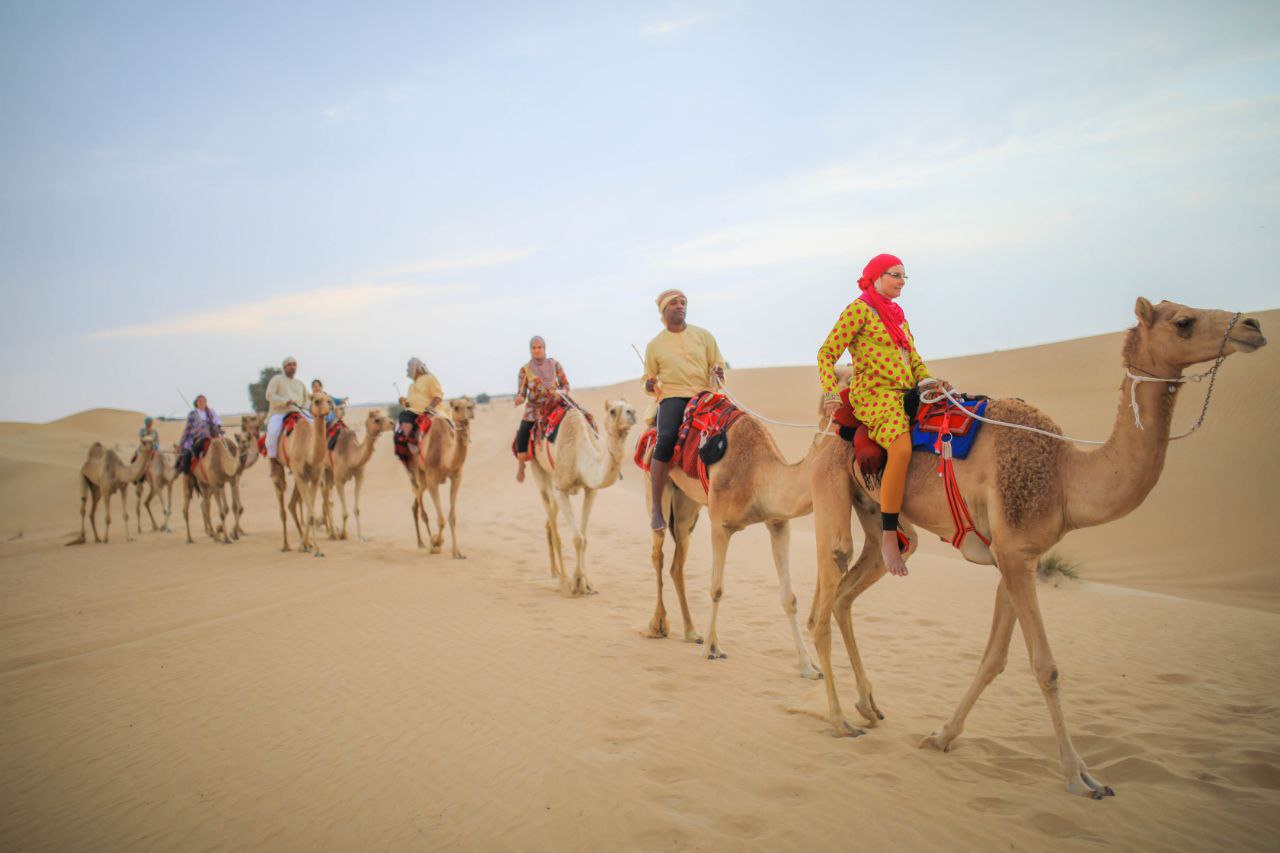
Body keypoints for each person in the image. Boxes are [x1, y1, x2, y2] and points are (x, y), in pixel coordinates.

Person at [816, 253, 953, 578]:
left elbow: (914, 358)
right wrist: (832, 391)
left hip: (908, 391)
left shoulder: (898, 314)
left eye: (905, 276)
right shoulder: (859, 309)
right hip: (875, 395)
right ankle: (890, 536)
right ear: (876, 277)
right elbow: (826, 353)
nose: (901, 281)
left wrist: (930, 380)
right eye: (895, 275)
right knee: (902, 448)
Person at [643, 289, 726, 531]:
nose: (680, 306)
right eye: (674, 303)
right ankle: (657, 509)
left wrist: (719, 372)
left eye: (683, 302)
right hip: (673, 396)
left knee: (736, 427)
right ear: (664, 311)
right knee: (666, 437)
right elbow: (648, 378)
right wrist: (649, 384)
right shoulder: (655, 345)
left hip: (706, 394)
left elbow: (717, 362)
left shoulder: (704, 336)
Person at [513, 336, 570, 482]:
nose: (537, 350)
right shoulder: (525, 370)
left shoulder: (555, 365)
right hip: (534, 409)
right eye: (534, 348)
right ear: (530, 350)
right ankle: (521, 465)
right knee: (523, 431)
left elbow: (565, 385)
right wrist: (519, 398)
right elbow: (521, 393)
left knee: (578, 416)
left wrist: (561, 392)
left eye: (539, 347)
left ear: (544, 348)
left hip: (554, 404)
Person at [264, 356, 310, 462]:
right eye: (289, 365)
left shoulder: (300, 383)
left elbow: (306, 400)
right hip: (280, 413)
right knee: (273, 434)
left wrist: (310, 408)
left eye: (294, 364)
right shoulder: (277, 380)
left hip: (298, 413)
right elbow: (269, 395)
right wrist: (285, 401)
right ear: (284, 367)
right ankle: (273, 461)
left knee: (314, 427)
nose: (292, 367)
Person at [398, 358, 444, 453]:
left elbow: (438, 396)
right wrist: (404, 402)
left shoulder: (430, 378)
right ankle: (412, 441)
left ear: (416, 368)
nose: (407, 370)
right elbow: (410, 403)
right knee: (403, 416)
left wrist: (429, 408)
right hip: (415, 412)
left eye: (409, 367)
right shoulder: (411, 386)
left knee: (406, 416)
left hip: (431, 410)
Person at [177, 395, 222, 474]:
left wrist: (218, 429)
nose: (201, 402)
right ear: (196, 403)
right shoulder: (192, 414)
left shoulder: (210, 413)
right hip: (195, 438)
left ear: (206, 402)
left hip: (209, 438)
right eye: (199, 401)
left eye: (203, 401)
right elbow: (187, 429)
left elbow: (215, 425)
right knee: (187, 455)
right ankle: (186, 478)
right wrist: (181, 443)